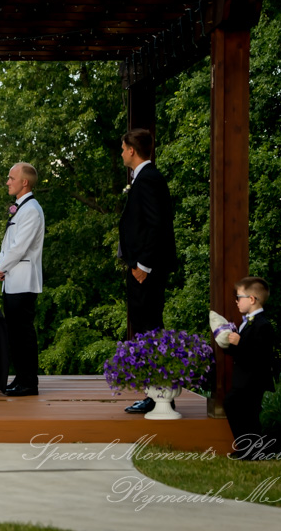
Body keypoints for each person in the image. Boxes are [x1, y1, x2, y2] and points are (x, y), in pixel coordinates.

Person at [118, 128, 177, 414]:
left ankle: (160, 397)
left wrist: (143, 266)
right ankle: (155, 395)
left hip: (146, 269)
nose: (121, 153)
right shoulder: (144, 178)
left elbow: (157, 225)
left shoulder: (148, 179)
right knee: (145, 331)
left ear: (132, 150)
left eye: (122, 148)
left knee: (149, 332)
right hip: (142, 267)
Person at [0, 162, 45, 397]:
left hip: (23, 281)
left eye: (11, 178)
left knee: (23, 333)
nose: (7, 182)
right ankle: (21, 377)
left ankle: (29, 383)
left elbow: (21, 247)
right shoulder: (20, 208)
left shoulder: (32, 210)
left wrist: (1, 267)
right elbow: (8, 244)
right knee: (14, 333)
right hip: (12, 280)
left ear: (25, 182)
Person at [224, 277, 276, 458]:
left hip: (253, 379)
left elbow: (259, 355)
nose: (236, 301)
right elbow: (238, 351)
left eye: (239, 297)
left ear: (252, 299)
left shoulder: (263, 325)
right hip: (243, 378)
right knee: (244, 412)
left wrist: (240, 343)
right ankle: (251, 449)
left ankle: (251, 449)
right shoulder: (247, 322)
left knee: (242, 410)